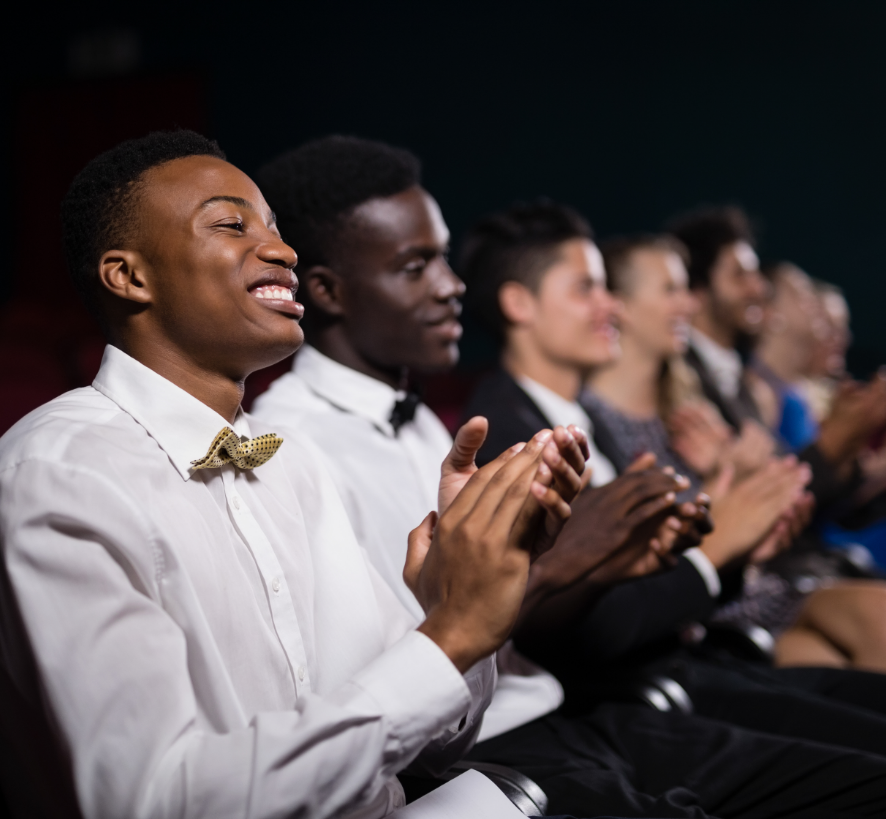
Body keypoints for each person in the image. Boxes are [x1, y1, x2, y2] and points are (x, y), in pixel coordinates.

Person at [254, 156, 886, 817]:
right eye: (418, 266)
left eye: (444, 259)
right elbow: (392, 668)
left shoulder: (425, 425)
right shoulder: (295, 443)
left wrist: (633, 554)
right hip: (494, 747)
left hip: (560, 707)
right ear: (327, 291)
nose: (451, 285)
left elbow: (518, 621)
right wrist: (589, 558)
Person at [0, 130, 587, 819]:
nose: (282, 251)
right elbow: (157, 798)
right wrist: (452, 634)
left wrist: (460, 597)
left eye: (275, 228)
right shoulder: (60, 476)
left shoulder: (288, 459)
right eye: (232, 225)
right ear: (130, 277)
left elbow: (427, 745)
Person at [588, 233, 886, 672]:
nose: (689, 303)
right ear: (621, 307)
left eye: (687, 289)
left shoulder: (690, 407)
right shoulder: (594, 422)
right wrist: (732, 484)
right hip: (711, 616)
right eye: (671, 290)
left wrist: (743, 482)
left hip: (756, 588)